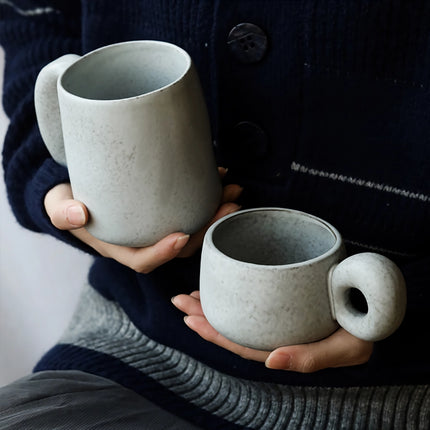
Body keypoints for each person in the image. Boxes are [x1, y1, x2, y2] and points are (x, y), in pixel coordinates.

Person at [0, 1, 429, 428]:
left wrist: (406, 301)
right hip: (133, 341)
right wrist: (58, 171)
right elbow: (35, 16)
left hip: (403, 382)